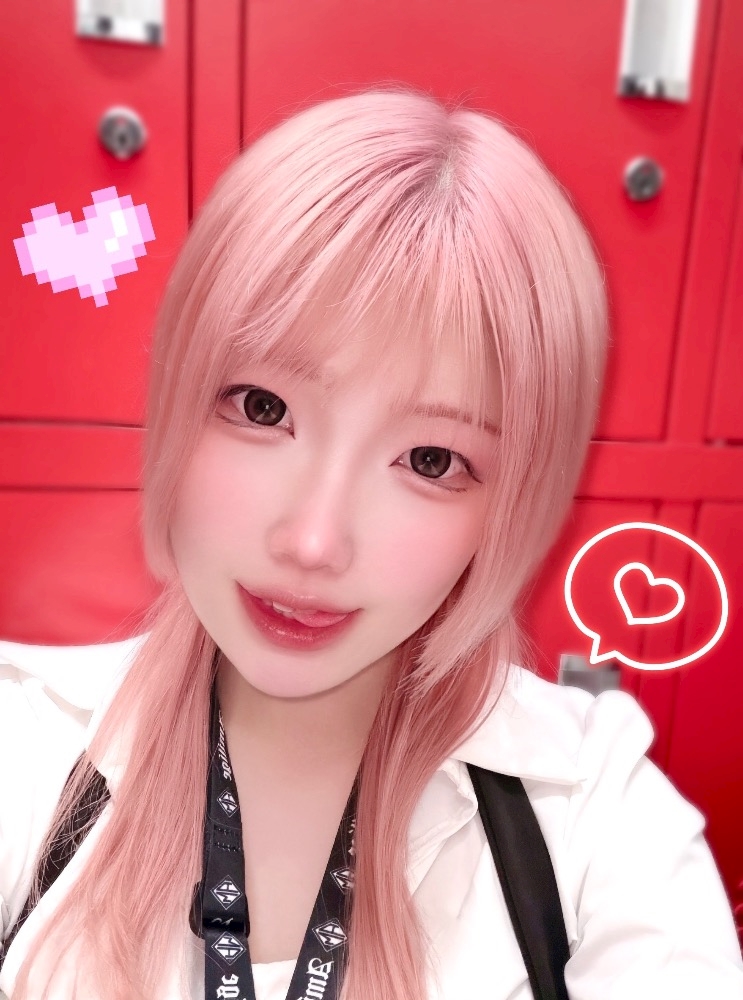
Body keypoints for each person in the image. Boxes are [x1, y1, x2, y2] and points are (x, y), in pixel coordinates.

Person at [1, 84, 741, 1000]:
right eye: (262, 408)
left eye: (431, 460)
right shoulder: (22, 743)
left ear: (512, 504)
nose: (313, 542)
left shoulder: (592, 806)